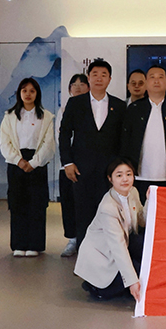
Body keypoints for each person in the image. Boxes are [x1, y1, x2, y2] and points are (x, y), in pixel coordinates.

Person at [59, 58, 126, 247]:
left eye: (103, 75)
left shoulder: (119, 106)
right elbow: (65, 134)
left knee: (109, 214)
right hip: (81, 169)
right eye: (95, 74)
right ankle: (84, 255)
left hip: (109, 171)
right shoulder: (75, 103)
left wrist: (120, 169)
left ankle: (107, 254)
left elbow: (123, 139)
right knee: (83, 214)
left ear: (110, 79)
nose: (99, 78)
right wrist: (67, 162)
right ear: (88, 77)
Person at [75, 157, 146, 301]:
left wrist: (150, 200)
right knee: (141, 277)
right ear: (110, 179)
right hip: (103, 256)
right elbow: (117, 247)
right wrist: (132, 281)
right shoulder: (108, 207)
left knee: (144, 252)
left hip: (124, 243)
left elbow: (142, 221)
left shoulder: (133, 192)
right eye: (119, 175)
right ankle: (94, 286)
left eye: (129, 174)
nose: (125, 179)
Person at [0, 78, 55, 257]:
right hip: (16, 164)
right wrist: (18, 160)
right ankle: (19, 244)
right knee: (18, 203)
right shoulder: (9, 116)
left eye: (32, 91)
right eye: (24, 90)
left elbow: (48, 143)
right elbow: (4, 143)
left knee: (37, 204)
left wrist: (34, 162)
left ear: (37, 93)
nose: (28, 94)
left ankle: (35, 244)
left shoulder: (46, 116)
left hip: (37, 163)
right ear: (19, 93)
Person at [121, 64, 166, 197]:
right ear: (146, 82)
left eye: (160, 77)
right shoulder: (134, 109)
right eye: (152, 77)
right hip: (139, 176)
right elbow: (125, 141)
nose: (156, 81)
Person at [54, 73, 89, 257]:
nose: (78, 87)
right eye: (74, 84)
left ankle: (87, 241)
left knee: (87, 205)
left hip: (87, 165)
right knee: (69, 205)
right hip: (67, 165)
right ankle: (72, 239)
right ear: (69, 89)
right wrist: (68, 161)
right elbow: (61, 137)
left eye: (82, 84)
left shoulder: (94, 107)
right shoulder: (63, 110)